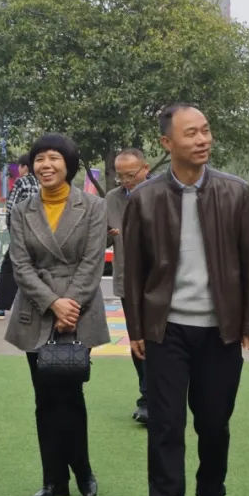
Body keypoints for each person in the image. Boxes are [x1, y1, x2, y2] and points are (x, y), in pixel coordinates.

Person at [122, 104, 249, 496]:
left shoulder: (236, 192)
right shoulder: (144, 198)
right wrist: (136, 328)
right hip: (166, 329)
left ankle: (212, 495)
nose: (202, 140)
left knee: (214, 421)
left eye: (205, 130)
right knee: (166, 424)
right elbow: (133, 271)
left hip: (220, 329)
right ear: (167, 143)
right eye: (191, 133)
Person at [4, 134, 109, 496]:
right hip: (36, 309)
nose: (45, 165)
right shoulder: (22, 209)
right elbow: (20, 265)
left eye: (54, 158)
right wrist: (52, 303)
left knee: (71, 394)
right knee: (45, 398)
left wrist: (69, 306)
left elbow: (92, 263)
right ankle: (53, 479)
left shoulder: (93, 206)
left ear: (69, 164)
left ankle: (82, 471)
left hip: (79, 311)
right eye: (39, 159)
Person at [107, 148, 151, 424]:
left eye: (131, 175)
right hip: (128, 283)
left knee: (162, 341)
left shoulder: (163, 193)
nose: (126, 181)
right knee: (138, 340)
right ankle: (147, 398)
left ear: (146, 169)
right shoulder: (112, 199)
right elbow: (99, 242)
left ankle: (158, 398)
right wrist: (106, 234)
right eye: (120, 176)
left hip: (162, 283)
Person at [0, 156, 39, 320]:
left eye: (20, 167)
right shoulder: (41, 183)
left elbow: (11, 209)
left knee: (8, 270)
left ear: (24, 167)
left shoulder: (22, 182)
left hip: (22, 235)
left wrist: (12, 230)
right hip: (39, 236)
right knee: (34, 270)